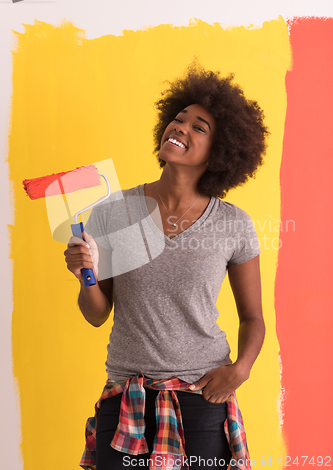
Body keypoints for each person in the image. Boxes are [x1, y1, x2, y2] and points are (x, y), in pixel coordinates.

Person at [64, 63, 268, 470]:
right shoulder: (112, 213)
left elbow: (253, 317)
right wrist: (84, 277)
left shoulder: (233, 223)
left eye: (199, 127)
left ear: (220, 153)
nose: (181, 128)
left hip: (201, 399)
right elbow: (96, 314)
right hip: (126, 396)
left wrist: (240, 370)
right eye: (178, 119)